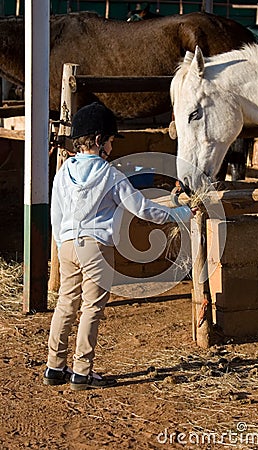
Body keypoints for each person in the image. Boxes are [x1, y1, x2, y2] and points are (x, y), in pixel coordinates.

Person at [44, 102, 195, 391]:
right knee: (92, 307)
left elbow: (56, 213)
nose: (112, 148)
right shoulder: (110, 174)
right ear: (99, 141)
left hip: (66, 245)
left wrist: (63, 240)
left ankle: (54, 366)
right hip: (96, 247)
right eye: (111, 142)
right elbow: (141, 209)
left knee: (66, 303)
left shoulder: (64, 172)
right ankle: (82, 371)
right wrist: (179, 214)